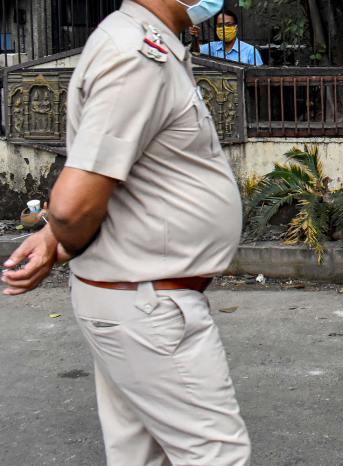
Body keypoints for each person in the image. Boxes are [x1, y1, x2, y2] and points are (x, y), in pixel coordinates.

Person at [1, 0, 252, 464]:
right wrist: (65, 233)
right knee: (215, 453)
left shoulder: (151, 47)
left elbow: (119, 170)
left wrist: (55, 235)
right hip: (147, 303)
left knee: (140, 455)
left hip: (137, 297)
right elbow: (76, 205)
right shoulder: (136, 55)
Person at [189, 9, 263, 65]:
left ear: (236, 27)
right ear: (216, 27)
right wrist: (195, 38)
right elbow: (195, 55)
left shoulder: (250, 51)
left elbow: (259, 78)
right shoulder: (212, 48)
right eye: (220, 25)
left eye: (228, 24)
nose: (224, 28)